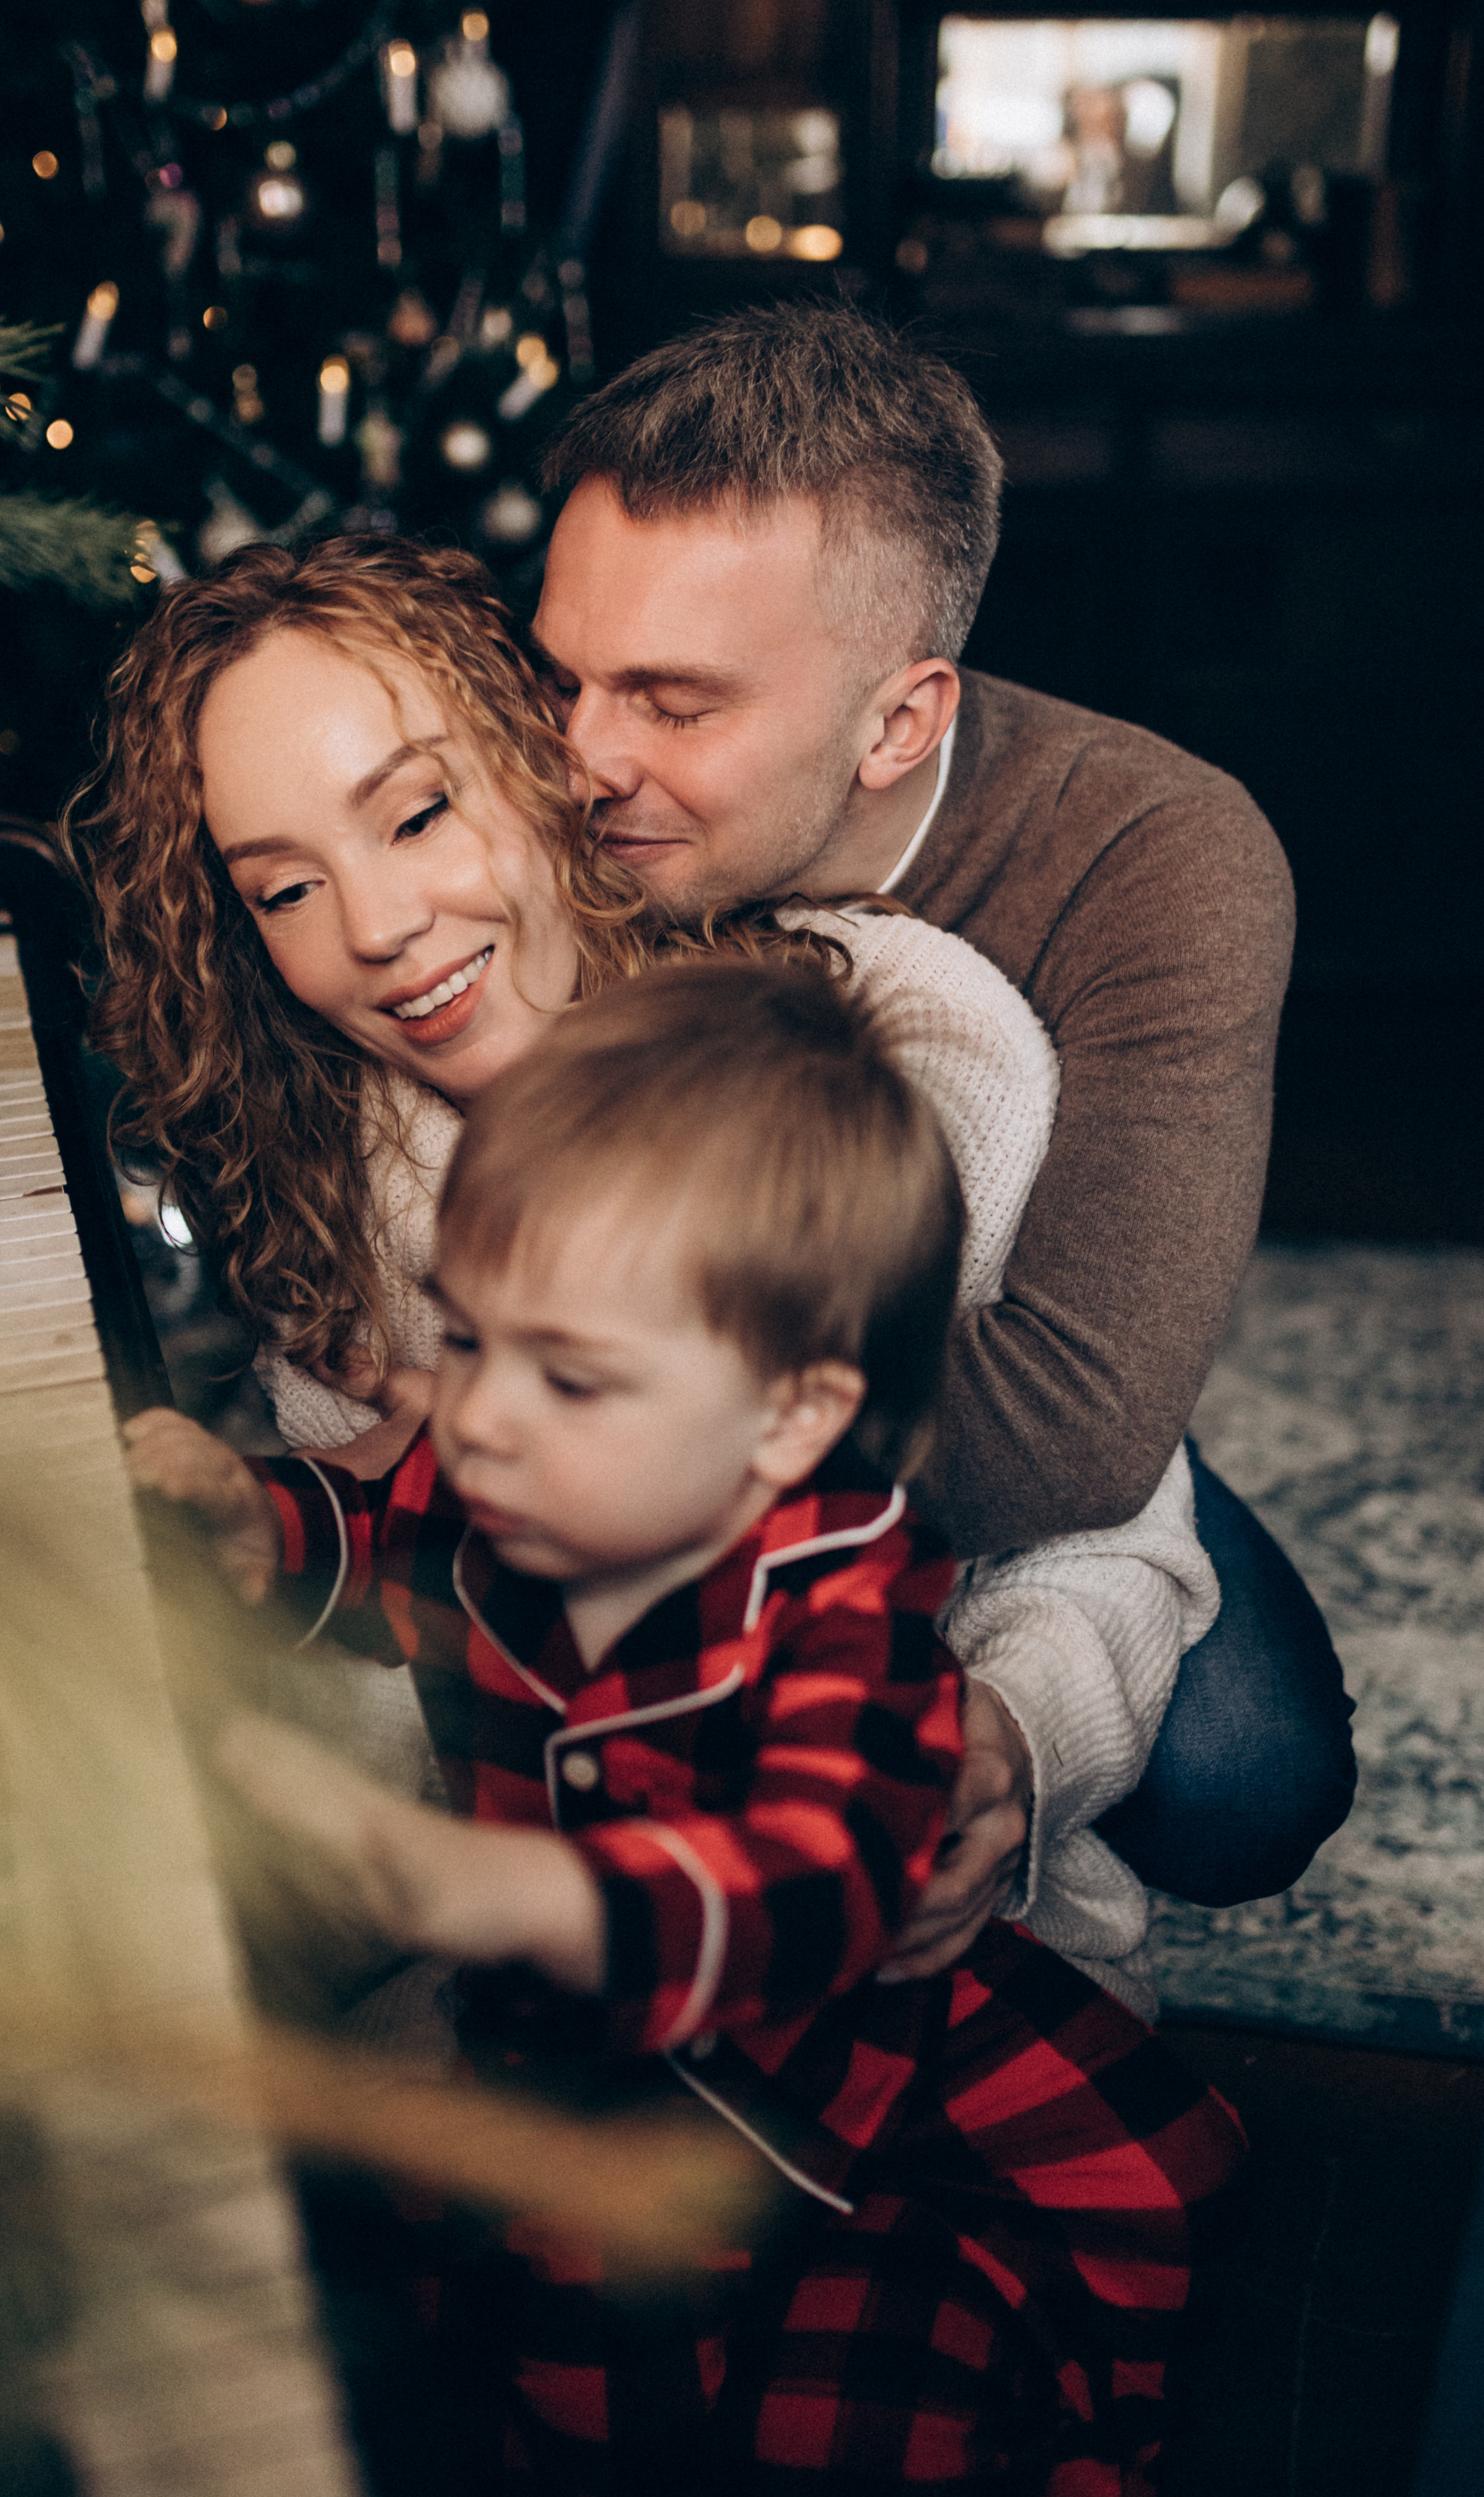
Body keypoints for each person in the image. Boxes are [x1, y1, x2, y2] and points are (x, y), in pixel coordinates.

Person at [126, 957, 1246, 2497]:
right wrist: (264, 1520)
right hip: (577, 2039)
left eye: (567, 1375)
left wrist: (503, 1899)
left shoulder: (835, 1601)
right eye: (465, 1340)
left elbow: (819, 1870)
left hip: (793, 2077)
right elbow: (387, 1523)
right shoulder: (506, 1473)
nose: (488, 1415)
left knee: (815, 2421)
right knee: (560, 2393)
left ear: (787, 1421)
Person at [68, 535, 1216, 2012]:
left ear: (548, 763)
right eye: (285, 891)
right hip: (614, 1942)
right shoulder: (331, 1193)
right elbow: (425, 1621)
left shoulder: (881, 1046)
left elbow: (1096, 1517)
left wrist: (1011, 1732)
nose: (375, 929)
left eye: (416, 815)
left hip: (911, 1952)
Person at [529, 297, 1355, 1938]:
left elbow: (1070, 1418)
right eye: (563, 675)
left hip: (968, 1340)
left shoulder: (1158, 853)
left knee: (1243, 1775)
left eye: (674, 705)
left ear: (900, 719)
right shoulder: (549, 785)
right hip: (597, 1364)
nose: (575, 763)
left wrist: (622, 1454)